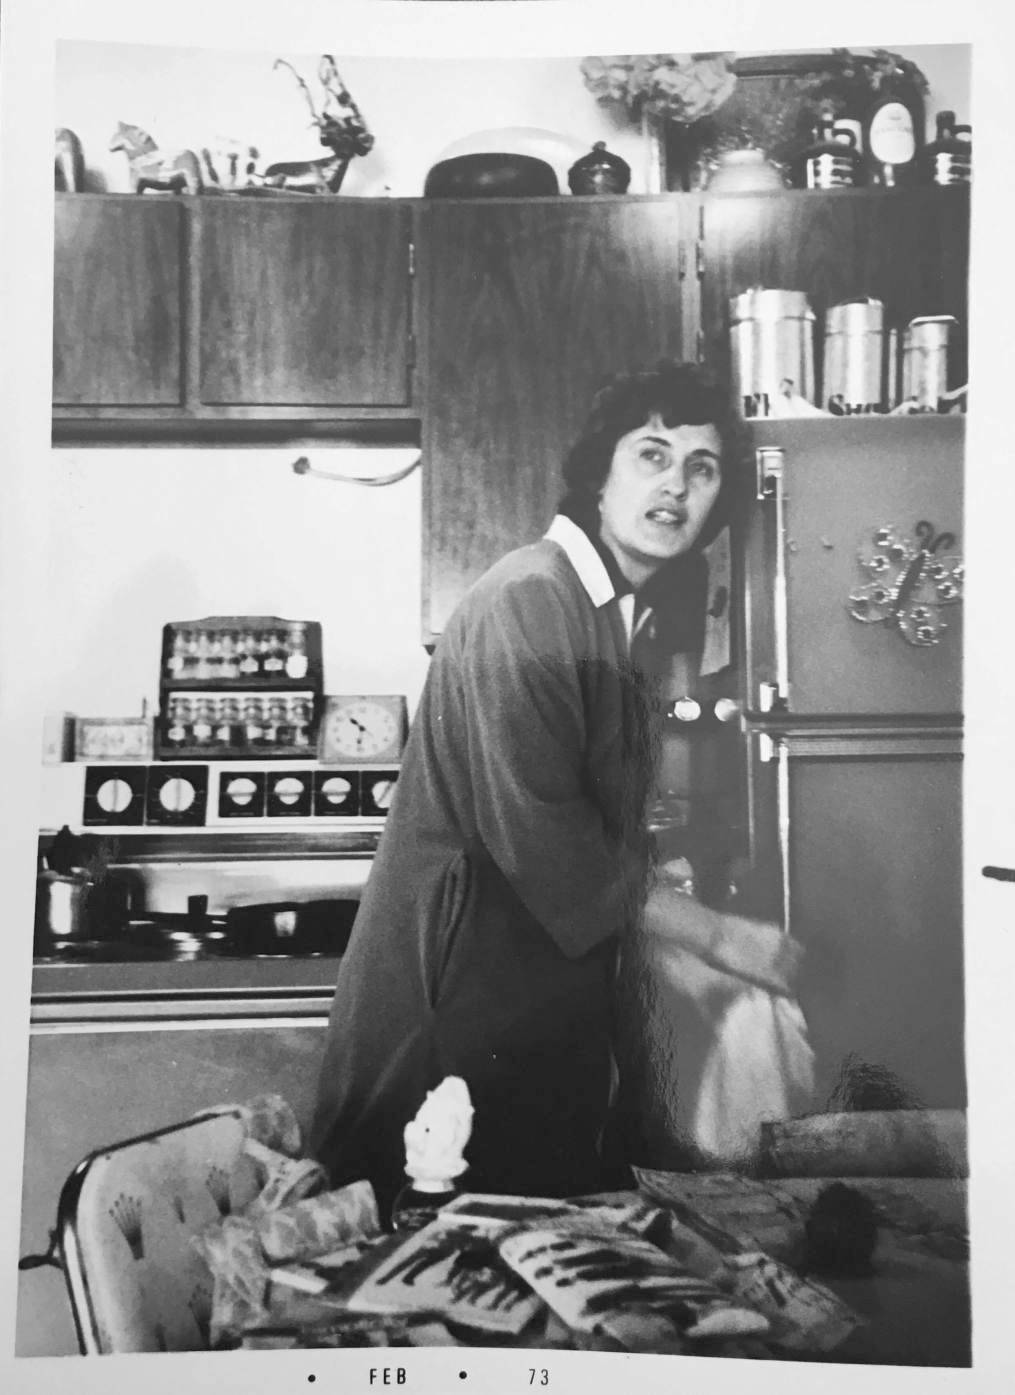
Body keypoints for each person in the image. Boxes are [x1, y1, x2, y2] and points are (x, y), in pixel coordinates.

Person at [309, 362, 801, 1215]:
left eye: (700, 467)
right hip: (453, 1012)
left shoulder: (604, 610)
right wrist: (721, 938)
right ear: (597, 477)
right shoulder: (531, 599)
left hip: (523, 1009)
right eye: (651, 455)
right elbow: (552, 844)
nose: (674, 486)